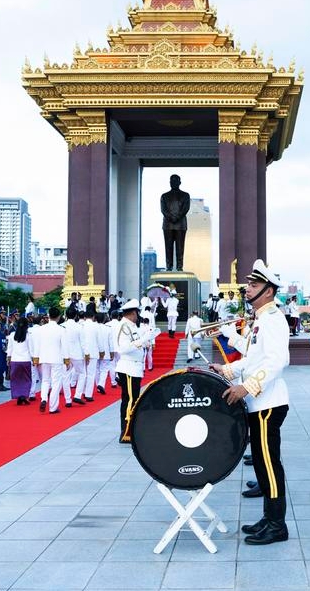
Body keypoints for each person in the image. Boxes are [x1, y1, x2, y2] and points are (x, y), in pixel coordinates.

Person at [210, 259, 290, 545]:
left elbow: (279, 361)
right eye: (249, 284)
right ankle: (269, 518)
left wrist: (247, 387)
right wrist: (228, 370)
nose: (247, 289)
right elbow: (255, 359)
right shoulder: (261, 319)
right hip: (260, 403)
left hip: (269, 403)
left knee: (269, 465)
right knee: (260, 462)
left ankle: (277, 524)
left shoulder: (273, 319)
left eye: (254, 285)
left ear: (269, 291)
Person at [116, 299, 159, 443]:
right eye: (137, 313)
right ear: (132, 313)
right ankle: (126, 432)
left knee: (133, 399)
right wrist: (142, 341)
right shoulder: (124, 326)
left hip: (135, 368)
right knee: (129, 401)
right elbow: (123, 348)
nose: (138, 316)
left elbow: (136, 343)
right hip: (128, 368)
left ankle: (131, 429)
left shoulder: (131, 326)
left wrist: (148, 339)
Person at [33, 306, 68, 414]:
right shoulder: (61, 330)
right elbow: (65, 346)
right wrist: (66, 359)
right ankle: (52, 407)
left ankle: (44, 399)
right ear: (58, 317)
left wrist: (36, 358)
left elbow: (37, 345)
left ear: (48, 316)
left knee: (45, 381)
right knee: (56, 382)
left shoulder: (41, 329)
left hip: (44, 358)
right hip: (57, 358)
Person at [160, 174, 191, 271]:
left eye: (175, 181)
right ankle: (169, 266)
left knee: (180, 247)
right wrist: (172, 218)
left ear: (179, 183)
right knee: (168, 247)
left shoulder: (185, 195)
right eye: (171, 181)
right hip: (168, 225)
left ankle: (179, 266)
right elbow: (163, 209)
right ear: (169, 183)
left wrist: (176, 217)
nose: (173, 183)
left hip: (180, 225)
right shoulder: (164, 196)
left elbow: (186, 208)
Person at [7, 316, 35, 405]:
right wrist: (34, 359)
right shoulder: (28, 336)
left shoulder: (12, 335)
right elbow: (31, 349)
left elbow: (9, 348)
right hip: (25, 360)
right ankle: (24, 395)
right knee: (26, 379)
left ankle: (18, 396)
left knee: (16, 379)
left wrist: (8, 358)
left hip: (15, 360)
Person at [62, 307, 86, 407]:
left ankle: (68, 399)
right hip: (77, 354)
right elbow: (83, 342)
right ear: (76, 315)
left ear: (66, 315)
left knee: (65, 376)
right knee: (82, 374)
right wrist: (86, 353)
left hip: (65, 354)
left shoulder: (61, 326)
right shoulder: (79, 327)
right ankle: (77, 395)